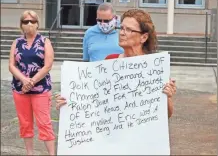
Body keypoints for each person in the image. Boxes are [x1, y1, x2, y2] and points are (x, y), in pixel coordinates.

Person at [56, 9, 176, 118]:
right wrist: (69, 103)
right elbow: (95, 99)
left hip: (141, 138)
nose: (122, 33)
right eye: (122, 28)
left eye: (129, 30)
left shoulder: (155, 67)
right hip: (113, 135)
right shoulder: (110, 61)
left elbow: (167, 115)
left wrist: (168, 97)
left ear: (143, 37)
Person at [8, 10, 55, 155]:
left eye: (32, 21)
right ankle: (29, 153)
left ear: (37, 24)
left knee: (44, 124)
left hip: (40, 90)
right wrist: (23, 80)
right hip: (20, 89)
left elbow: (48, 65)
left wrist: (32, 81)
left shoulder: (45, 41)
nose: (29, 24)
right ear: (21, 25)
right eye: (25, 21)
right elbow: (11, 65)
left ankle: (52, 154)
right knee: (25, 123)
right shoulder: (16, 42)